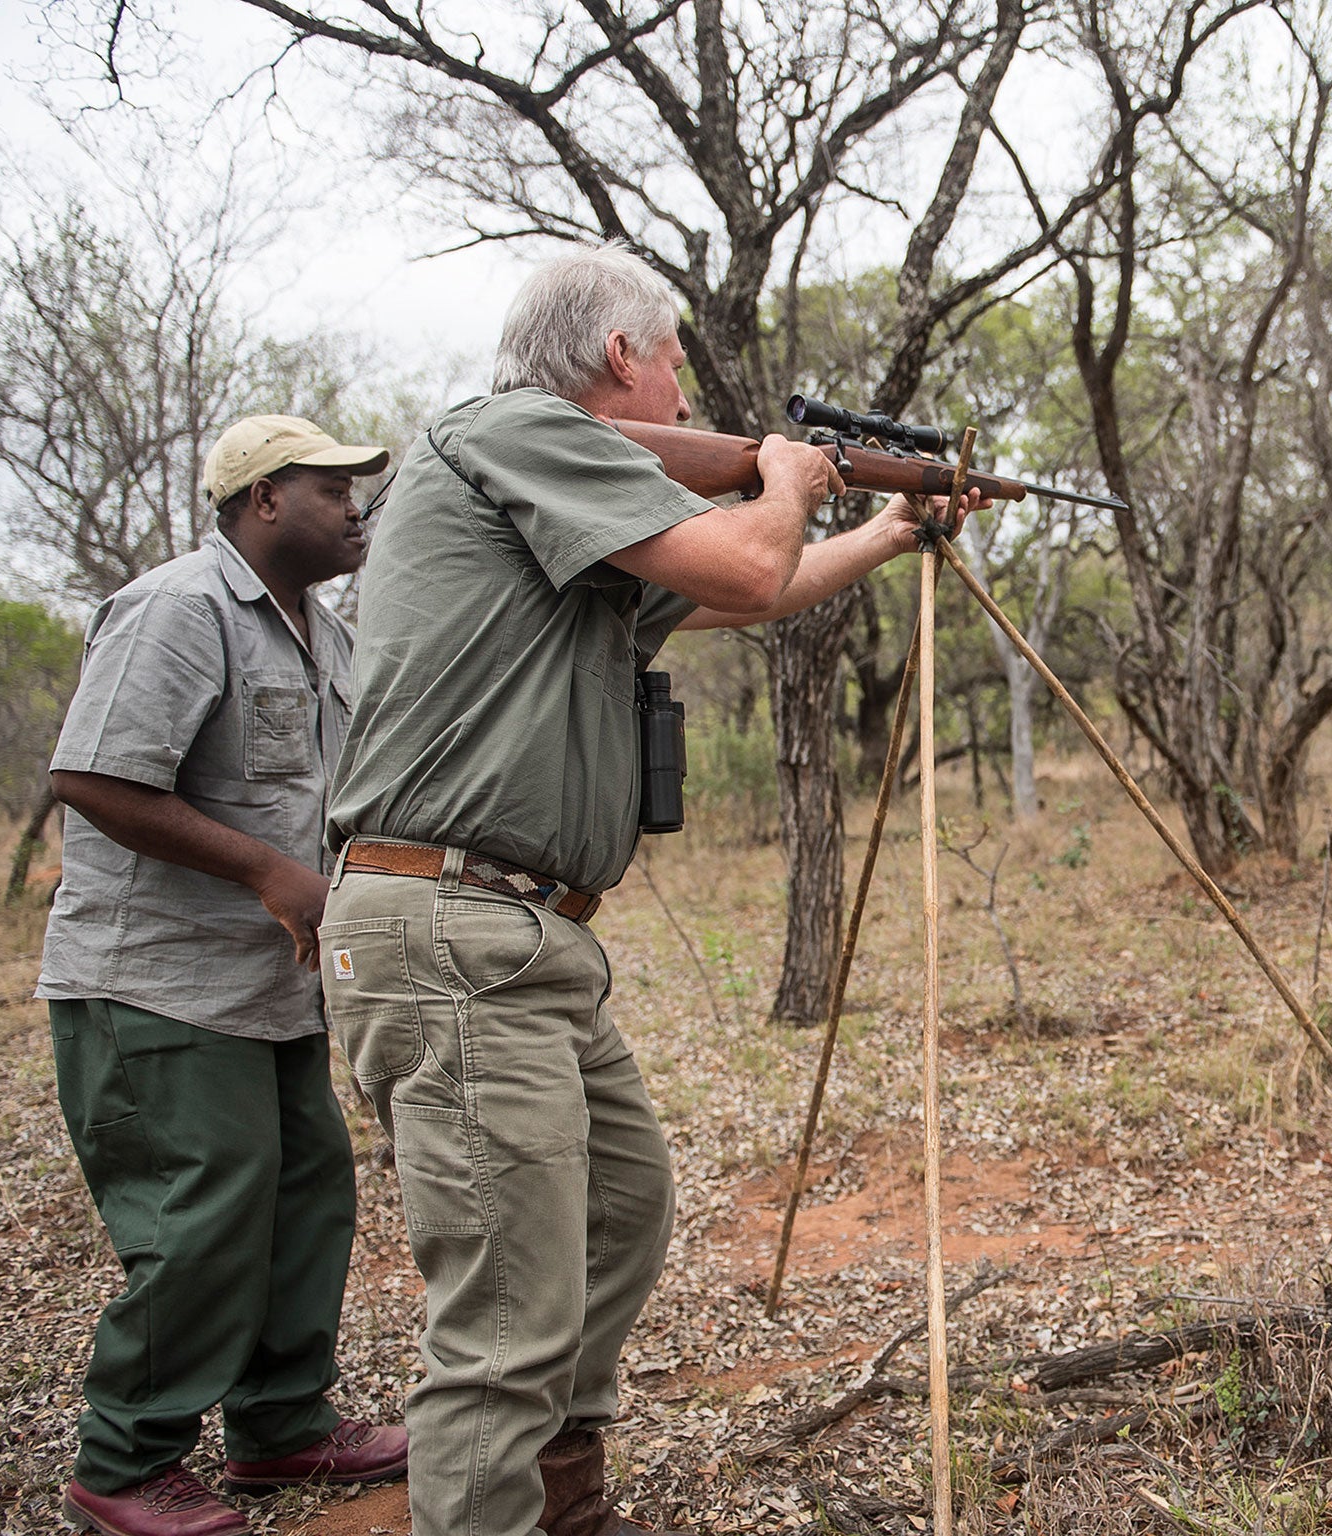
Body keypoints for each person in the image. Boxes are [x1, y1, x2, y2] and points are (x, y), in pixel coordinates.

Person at [320, 241, 979, 1536]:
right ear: (621, 355)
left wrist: (891, 528)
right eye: (674, 355)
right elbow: (745, 560)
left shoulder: (572, 510)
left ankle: (566, 1506)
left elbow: (756, 586)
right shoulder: (514, 433)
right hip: (460, 930)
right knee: (502, 1329)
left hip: (523, 941)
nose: (685, 387)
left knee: (622, 1208)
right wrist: (790, 474)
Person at [40, 416, 410, 1536]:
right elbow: (92, 778)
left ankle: (280, 1429)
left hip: (270, 989)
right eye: (331, 488)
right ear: (261, 500)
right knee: (203, 1213)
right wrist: (266, 873)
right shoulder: (178, 609)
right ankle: (122, 1461)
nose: (355, 509)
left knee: (306, 1197)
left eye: (359, 490)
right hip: (155, 983)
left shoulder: (326, 639)